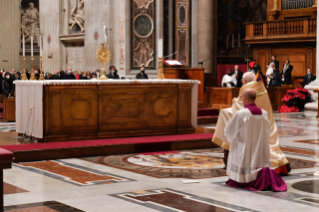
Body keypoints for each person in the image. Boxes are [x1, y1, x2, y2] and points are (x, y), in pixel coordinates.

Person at [212, 72, 290, 174]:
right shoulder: (261, 86)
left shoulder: (245, 88)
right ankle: (279, 161)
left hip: (250, 122)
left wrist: (235, 101)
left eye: (242, 81)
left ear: (244, 81)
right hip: (266, 121)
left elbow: (240, 106)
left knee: (227, 116)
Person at [225, 89, 287, 191]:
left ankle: (242, 179)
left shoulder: (241, 114)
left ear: (244, 99)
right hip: (260, 149)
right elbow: (268, 132)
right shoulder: (264, 113)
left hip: (244, 149)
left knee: (237, 146)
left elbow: (229, 132)